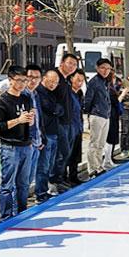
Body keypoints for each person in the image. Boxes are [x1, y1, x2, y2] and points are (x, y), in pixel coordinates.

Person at [0, 65, 34, 219]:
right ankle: (7, 216)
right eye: (19, 80)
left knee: (24, 184)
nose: (22, 83)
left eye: (25, 80)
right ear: (10, 80)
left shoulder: (26, 98)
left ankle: (22, 213)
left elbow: (28, 123)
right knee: (8, 185)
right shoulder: (1, 101)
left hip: (25, 145)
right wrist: (18, 120)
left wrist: (30, 120)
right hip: (10, 147)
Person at [49, 53, 79, 194]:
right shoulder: (55, 77)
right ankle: (54, 180)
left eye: (74, 64)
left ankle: (60, 178)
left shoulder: (67, 80)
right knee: (62, 153)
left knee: (66, 153)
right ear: (62, 63)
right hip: (59, 122)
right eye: (70, 63)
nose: (72, 66)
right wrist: (57, 111)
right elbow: (47, 97)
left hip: (69, 122)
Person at [35, 68, 63, 202]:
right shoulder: (39, 92)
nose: (53, 84)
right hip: (45, 134)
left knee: (50, 164)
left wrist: (56, 110)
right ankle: (40, 193)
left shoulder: (53, 93)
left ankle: (45, 189)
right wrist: (55, 110)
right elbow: (50, 108)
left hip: (54, 132)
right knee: (43, 166)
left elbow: (60, 109)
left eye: (55, 82)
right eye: (50, 81)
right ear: (44, 79)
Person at [83, 57, 112, 178]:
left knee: (101, 144)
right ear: (97, 68)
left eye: (108, 68)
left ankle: (99, 166)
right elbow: (88, 99)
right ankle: (92, 168)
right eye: (102, 68)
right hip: (96, 115)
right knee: (94, 143)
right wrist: (87, 114)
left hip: (106, 115)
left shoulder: (105, 82)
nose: (105, 71)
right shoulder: (94, 82)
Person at [25, 64, 44, 191]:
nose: (33, 80)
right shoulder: (21, 95)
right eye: (30, 77)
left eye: (36, 78)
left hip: (36, 143)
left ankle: (22, 207)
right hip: (26, 144)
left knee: (29, 179)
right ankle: (15, 210)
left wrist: (40, 138)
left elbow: (38, 119)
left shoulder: (36, 94)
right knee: (20, 181)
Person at [67, 70, 85, 184]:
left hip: (78, 126)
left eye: (82, 81)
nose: (80, 83)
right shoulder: (67, 93)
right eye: (78, 80)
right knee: (67, 154)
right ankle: (64, 178)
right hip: (69, 128)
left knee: (76, 154)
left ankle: (74, 176)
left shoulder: (80, 93)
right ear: (71, 79)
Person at [103, 69, 122, 170]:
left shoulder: (111, 88)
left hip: (114, 114)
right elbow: (113, 101)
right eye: (113, 77)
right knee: (109, 138)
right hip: (110, 115)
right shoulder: (108, 89)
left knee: (112, 137)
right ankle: (106, 160)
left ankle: (109, 158)